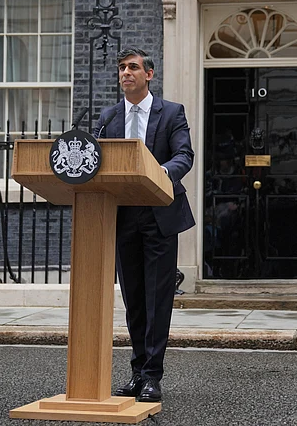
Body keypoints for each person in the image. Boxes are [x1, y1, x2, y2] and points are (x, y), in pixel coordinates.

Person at [94, 47, 195, 402]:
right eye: (121, 68)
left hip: (158, 213)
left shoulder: (171, 113)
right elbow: (96, 158)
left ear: (148, 74)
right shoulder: (108, 117)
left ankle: (153, 375)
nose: (126, 73)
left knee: (157, 299)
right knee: (134, 299)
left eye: (133, 67)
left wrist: (159, 172)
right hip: (122, 216)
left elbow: (184, 155)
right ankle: (137, 372)